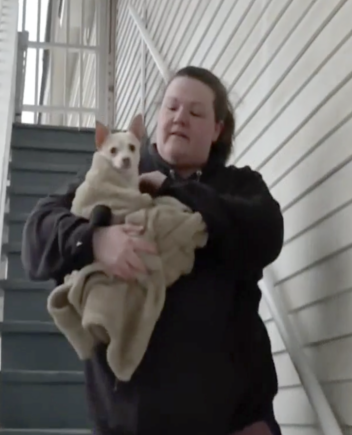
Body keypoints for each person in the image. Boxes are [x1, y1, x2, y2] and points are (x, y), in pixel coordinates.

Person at [22, 66, 284, 435]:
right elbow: (38, 233)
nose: (180, 118)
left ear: (217, 130)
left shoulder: (238, 187)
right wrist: (96, 240)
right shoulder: (110, 178)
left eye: (195, 113)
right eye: (171, 107)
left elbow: (267, 234)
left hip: (233, 423)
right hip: (129, 423)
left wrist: (174, 191)